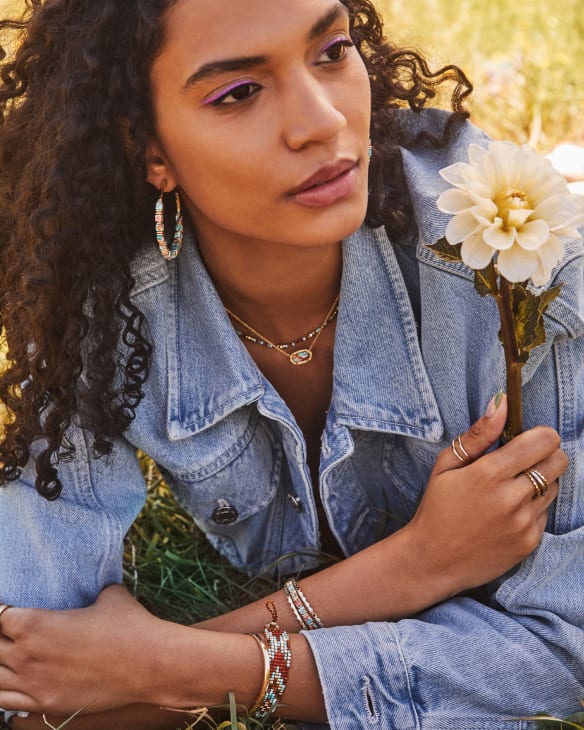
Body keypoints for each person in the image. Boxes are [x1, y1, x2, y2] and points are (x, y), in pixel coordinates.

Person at [0, 0, 581, 728]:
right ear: (150, 148)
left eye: (331, 52)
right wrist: (415, 566)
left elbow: (564, 655)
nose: (323, 122)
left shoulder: (523, 277)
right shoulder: (97, 300)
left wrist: (166, 665)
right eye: (238, 92)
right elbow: (31, 680)